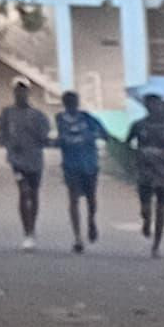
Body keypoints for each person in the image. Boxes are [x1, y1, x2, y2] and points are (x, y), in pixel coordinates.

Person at [0, 79, 50, 245]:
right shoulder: (7, 113)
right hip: (17, 161)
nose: (20, 94)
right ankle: (27, 231)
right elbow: (1, 135)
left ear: (28, 93)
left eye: (23, 91)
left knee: (34, 194)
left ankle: (32, 228)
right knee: (23, 191)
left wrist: (35, 136)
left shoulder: (38, 115)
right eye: (17, 91)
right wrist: (9, 144)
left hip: (35, 160)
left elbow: (44, 137)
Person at [130, 98, 164, 254]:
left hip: (163, 171)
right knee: (145, 206)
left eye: (158, 105)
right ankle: (146, 220)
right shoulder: (139, 125)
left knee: (161, 208)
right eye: (151, 105)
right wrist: (136, 157)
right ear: (147, 107)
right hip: (145, 170)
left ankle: (156, 245)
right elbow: (128, 141)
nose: (155, 108)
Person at [56, 87, 103, 250]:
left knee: (91, 198)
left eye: (73, 102)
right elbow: (61, 139)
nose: (71, 105)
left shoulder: (87, 118)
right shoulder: (60, 119)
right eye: (68, 103)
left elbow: (103, 133)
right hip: (71, 165)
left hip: (89, 164)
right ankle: (77, 237)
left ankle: (91, 221)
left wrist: (91, 137)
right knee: (73, 199)